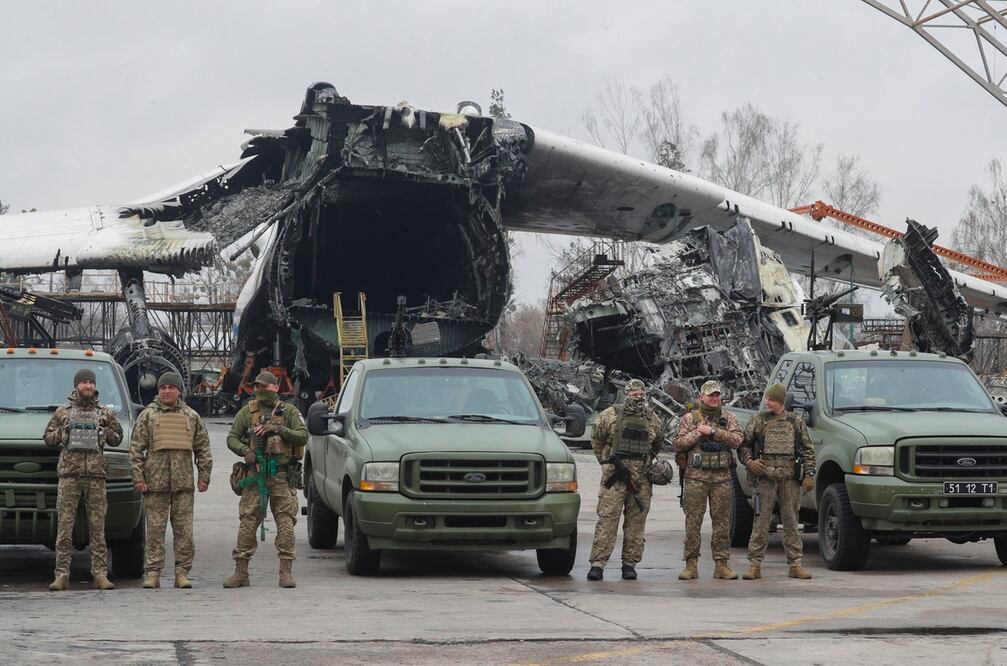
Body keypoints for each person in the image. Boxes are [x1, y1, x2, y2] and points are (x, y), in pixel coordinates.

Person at [223, 371, 308, 588]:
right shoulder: (247, 412)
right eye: (257, 387)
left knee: (286, 523)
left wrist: (278, 428)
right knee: (248, 522)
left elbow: (302, 436)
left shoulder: (289, 411)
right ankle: (240, 572)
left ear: (276, 388)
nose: (261, 390)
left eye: (265, 387)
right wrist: (246, 451)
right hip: (255, 475)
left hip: (282, 475)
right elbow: (232, 437)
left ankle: (285, 572)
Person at [129, 372, 213, 589]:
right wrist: (138, 477)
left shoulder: (191, 416)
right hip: (155, 486)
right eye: (163, 388)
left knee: (184, 532)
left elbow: (202, 448)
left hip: (183, 486)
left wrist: (204, 476)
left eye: (171, 387)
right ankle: (153, 573)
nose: (166, 391)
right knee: (155, 532)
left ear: (179, 391)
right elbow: (136, 448)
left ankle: (182, 573)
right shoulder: (148, 416)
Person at [43, 368, 124, 591]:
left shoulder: (105, 413)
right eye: (84, 383)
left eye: (91, 382)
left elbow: (118, 439)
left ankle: (100, 574)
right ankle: (61, 575)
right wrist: (63, 433)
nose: (88, 386)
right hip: (70, 476)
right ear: (76, 386)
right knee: (64, 528)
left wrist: (104, 433)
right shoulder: (63, 412)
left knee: (98, 529)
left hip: (96, 477)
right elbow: (48, 439)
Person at [586, 378, 664, 581]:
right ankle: (598, 564)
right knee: (607, 520)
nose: (638, 397)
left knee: (636, 523)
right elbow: (597, 439)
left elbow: (657, 444)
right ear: (627, 393)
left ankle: (629, 564)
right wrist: (605, 462)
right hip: (615, 478)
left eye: (641, 394)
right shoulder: (610, 414)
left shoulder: (651, 417)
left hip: (641, 481)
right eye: (634, 394)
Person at [738, 383, 816, 580]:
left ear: (781, 401)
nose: (767, 402)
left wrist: (809, 474)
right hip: (765, 478)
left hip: (789, 479)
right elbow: (743, 445)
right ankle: (755, 564)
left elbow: (808, 449)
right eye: (767, 399)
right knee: (761, 521)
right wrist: (749, 462)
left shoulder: (795, 421)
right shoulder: (758, 420)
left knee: (791, 521)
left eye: (771, 399)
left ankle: (795, 564)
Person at [673, 379, 744, 580]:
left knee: (721, 523)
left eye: (717, 395)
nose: (714, 398)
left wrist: (714, 432)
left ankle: (721, 564)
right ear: (701, 397)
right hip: (696, 478)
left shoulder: (728, 417)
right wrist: (698, 432)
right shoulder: (689, 419)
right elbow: (677, 444)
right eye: (710, 395)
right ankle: (691, 564)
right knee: (693, 521)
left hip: (721, 478)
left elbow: (738, 440)